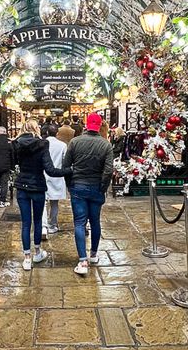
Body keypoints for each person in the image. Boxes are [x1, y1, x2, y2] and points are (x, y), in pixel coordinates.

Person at [14, 119, 71, 270]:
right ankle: (37, 252)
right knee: (37, 221)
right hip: (37, 186)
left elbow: (14, 164)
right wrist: (69, 170)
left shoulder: (17, 144)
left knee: (26, 223)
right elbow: (50, 170)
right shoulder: (42, 144)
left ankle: (27, 258)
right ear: (36, 129)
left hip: (22, 186)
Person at [63, 112, 114, 276]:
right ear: (99, 126)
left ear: (86, 124)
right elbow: (108, 171)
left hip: (78, 186)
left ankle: (82, 260)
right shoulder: (106, 145)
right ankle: (93, 254)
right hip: (96, 187)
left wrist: (69, 185)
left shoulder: (75, 142)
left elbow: (66, 167)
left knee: (79, 223)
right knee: (95, 222)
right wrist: (103, 188)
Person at [42, 126, 68, 234]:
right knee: (54, 202)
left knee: (42, 202)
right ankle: (52, 224)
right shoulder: (62, 145)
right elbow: (65, 161)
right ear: (57, 133)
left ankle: (43, 226)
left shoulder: (42, 143)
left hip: (43, 174)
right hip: (57, 175)